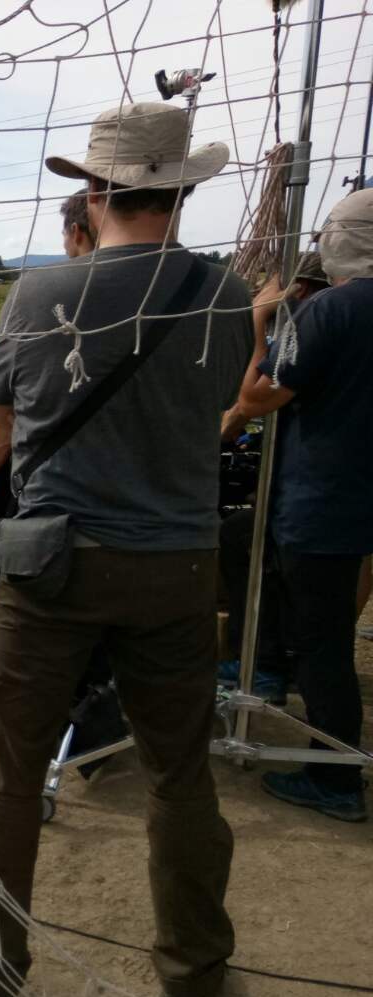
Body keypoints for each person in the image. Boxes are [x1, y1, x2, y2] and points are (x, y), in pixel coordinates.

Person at [0, 101, 253, 997]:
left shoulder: (40, 295)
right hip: (177, 567)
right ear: (181, 193)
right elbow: (224, 397)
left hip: (53, 565)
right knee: (179, 774)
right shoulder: (227, 293)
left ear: (95, 192)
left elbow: (1, 406)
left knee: (9, 772)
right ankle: (193, 968)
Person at [220, 191, 373, 824]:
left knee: (323, 645)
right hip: (356, 494)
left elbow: (258, 397)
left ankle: (335, 778)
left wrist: (260, 320)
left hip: (321, 498)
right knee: (258, 558)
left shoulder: (330, 310)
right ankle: (262, 671)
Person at [0, 190, 97, 700]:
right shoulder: (211, 289)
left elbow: (0, 412)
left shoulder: (42, 294)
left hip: (51, 503)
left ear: (77, 232)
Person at [216, 250, 332, 704]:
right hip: (335, 489)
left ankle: (260, 663)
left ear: (298, 290)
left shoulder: (312, 326)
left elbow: (252, 400)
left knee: (242, 537)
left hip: (311, 491)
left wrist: (257, 320)